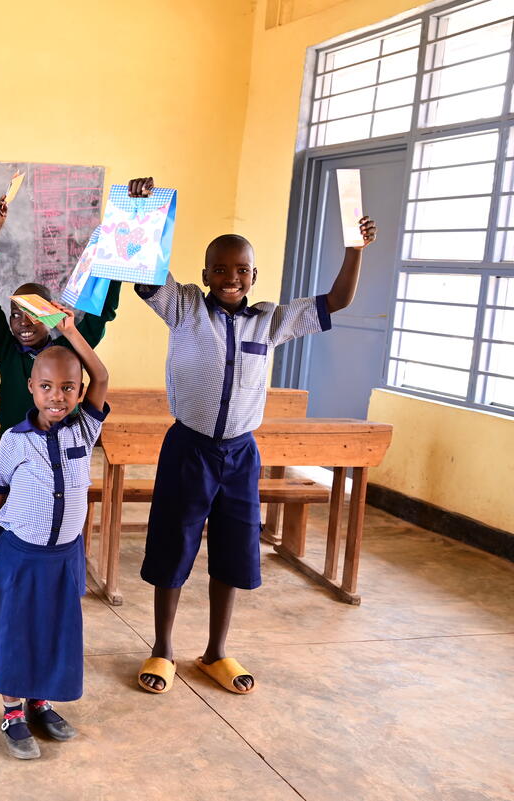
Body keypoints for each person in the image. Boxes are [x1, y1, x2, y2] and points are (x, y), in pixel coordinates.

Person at [128, 176, 377, 696]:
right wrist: (141, 210)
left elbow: (338, 299)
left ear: (254, 275)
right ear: (205, 274)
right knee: (173, 548)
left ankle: (216, 652)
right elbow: (143, 272)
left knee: (234, 551)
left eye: (241, 270)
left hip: (240, 454)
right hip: (188, 449)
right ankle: (163, 649)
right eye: (220, 269)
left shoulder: (272, 320)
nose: (230, 277)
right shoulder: (185, 308)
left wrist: (354, 250)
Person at [0, 310, 109, 759]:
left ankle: (41, 701)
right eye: (46, 387)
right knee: (16, 630)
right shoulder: (15, 440)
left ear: (79, 392)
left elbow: (100, 372)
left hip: (65, 554)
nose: (57, 396)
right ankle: (12, 711)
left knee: (54, 630)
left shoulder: (86, 426)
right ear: (31, 388)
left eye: (67, 387)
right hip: (20, 554)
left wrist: (70, 333)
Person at [0, 193, 121, 435]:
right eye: (15, 315)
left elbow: (101, 314)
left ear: (50, 314)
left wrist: (114, 258)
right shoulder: (6, 352)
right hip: (13, 452)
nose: (23, 322)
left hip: (61, 448)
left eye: (33, 313)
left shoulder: (69, 349)